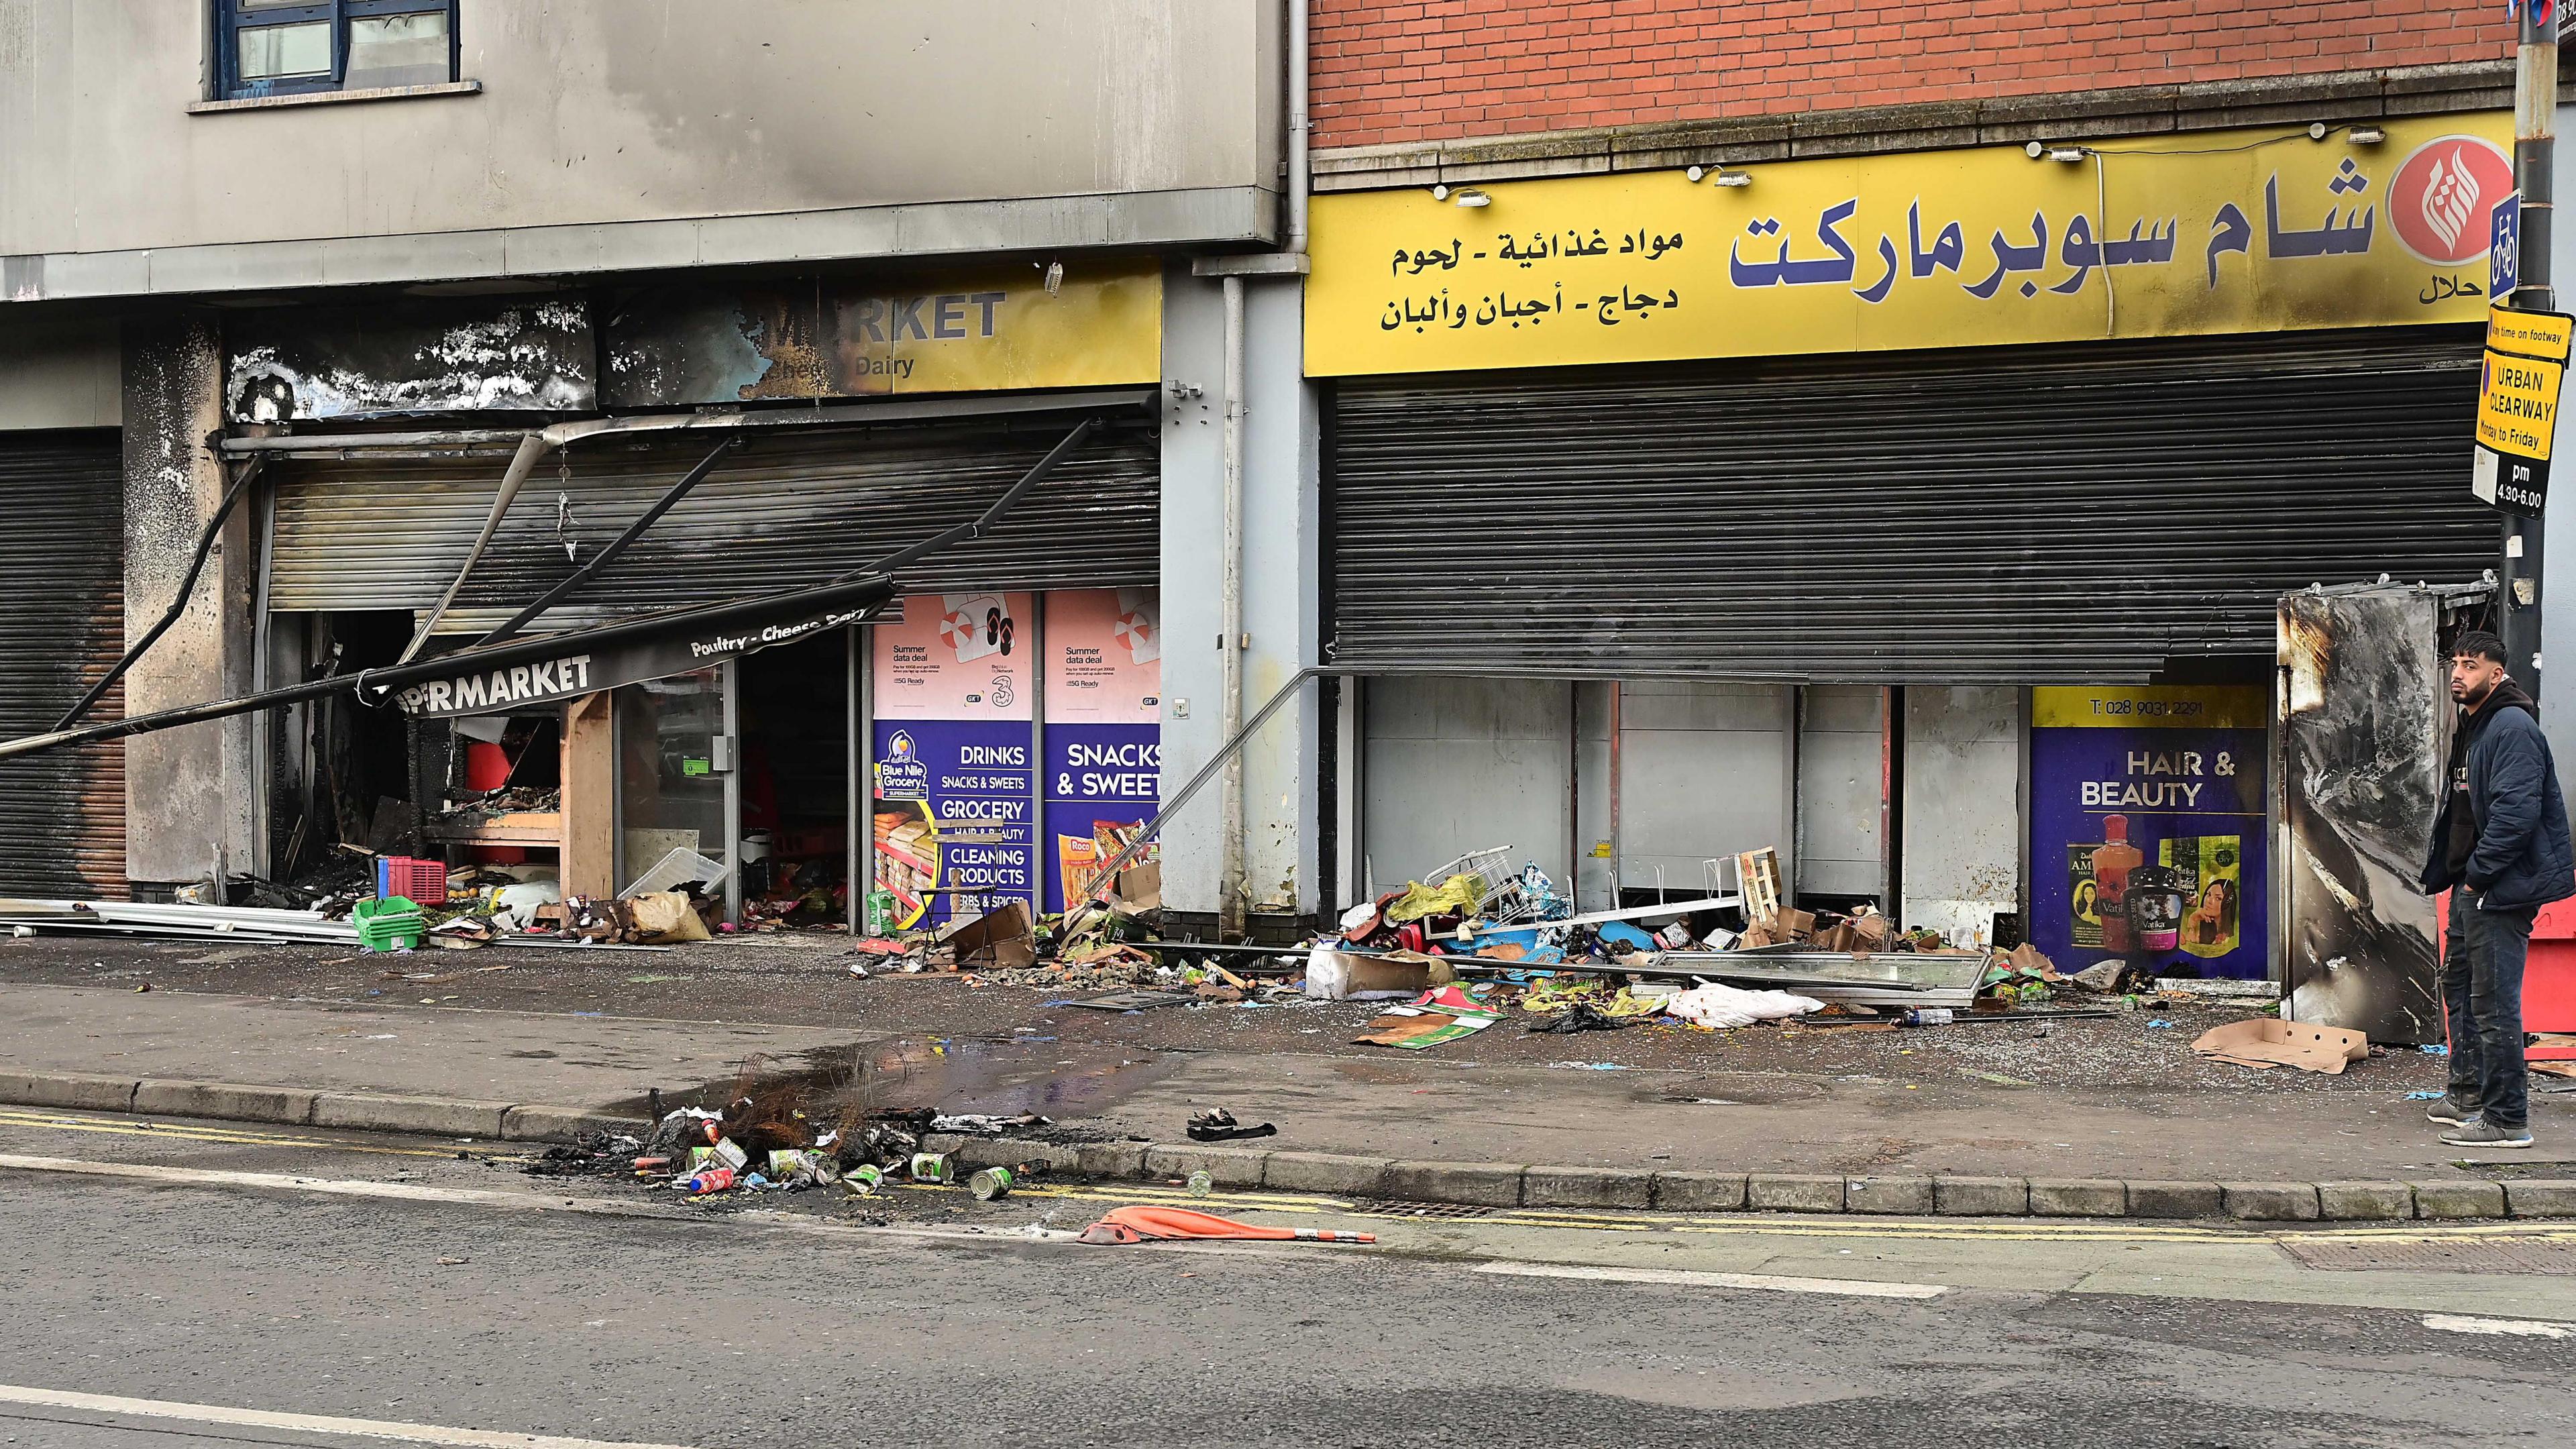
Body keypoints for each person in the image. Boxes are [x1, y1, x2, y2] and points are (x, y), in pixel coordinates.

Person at [2418, 629, 2575, 1149]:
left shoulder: (2510, 727)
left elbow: (2516, 815)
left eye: (2471, 665)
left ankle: (2508, 1120)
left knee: (2493, 1001)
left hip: (2499, 888)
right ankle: (2466, 1095)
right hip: (2472, 883)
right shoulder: (2476, 726)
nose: (2459, 673)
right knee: (2459, 986)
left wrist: (2480, 878)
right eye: (2456, 664)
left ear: (2496, 674)